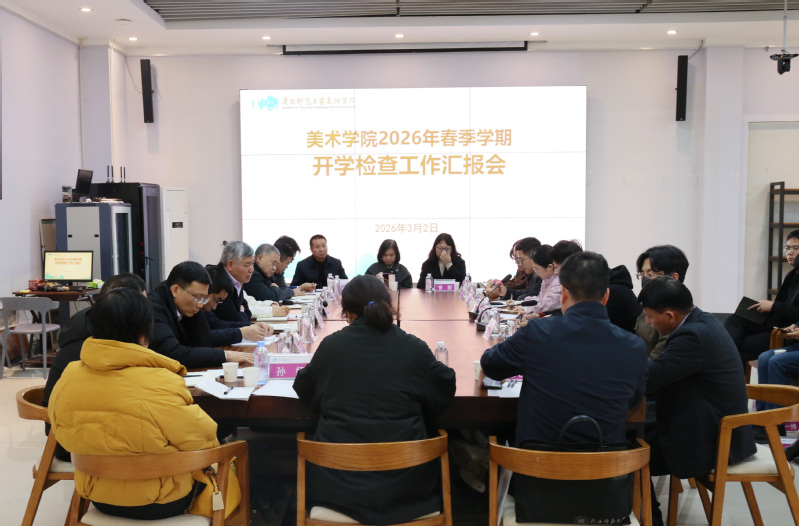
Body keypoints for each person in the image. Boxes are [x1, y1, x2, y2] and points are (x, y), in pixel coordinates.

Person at [293, 275, 456, 524]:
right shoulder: (412, 347)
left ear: (347, 313)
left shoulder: (331, 347)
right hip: (408, 491)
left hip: (337, 489)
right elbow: (444, 387)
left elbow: (305, 388)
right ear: (388, 306)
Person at [48, 287, 219, 520]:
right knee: (232, 453)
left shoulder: (69, 376)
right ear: (143, 334)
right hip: (163, 499)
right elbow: (204, 440)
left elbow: (61, 431)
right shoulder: (161, 380)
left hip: (98, 495)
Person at [481, 251, 647, 447]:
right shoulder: (635, 347)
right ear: (606, 296)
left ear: (564, 293)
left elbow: (490, 364)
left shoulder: (537, 333)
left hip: (535, 462)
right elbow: (632, 399)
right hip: (606, 463)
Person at [639, 277, 756, 526]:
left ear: (669, 316)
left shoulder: (692, 336)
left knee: (628, 450)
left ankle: (652, 520)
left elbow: (649, 379)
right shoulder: (701, 321)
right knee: (631, 431)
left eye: (649, 316)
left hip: (714, 439)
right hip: (713, 422)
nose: (648, 322)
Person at [42, 273, 147, 462]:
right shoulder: (95, 347)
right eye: (142, 304)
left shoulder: (86, 324)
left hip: (71, 436)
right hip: (80, 445)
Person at [149, 261, 255, 368]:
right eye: (198, 297)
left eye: (204, 298)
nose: (200, 305)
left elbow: (203, 341)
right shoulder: (154, 309)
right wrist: (225, 355)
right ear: (176, 290)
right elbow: (173, 354)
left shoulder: (187, 305)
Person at [725, 230, 799, 365]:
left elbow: (794, 312)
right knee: (735, 319)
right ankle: (724, 365)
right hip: (775, 322)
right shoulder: (791, 275)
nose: (790, 252)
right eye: (788, 248)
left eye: (795, 248)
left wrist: (773, 306)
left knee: (739, 345)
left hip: (787, 331)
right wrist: (765, 307)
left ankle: (722, 367)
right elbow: (781, 306)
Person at [634, 245, 690, 358]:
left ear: (674, 278)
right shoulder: (650, 306)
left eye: (650, 274)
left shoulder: (675, 316)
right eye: (642, 274)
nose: (645, 280)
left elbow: (657, 361)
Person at [204, 265, 278, 346]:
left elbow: (217, 325)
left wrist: (250, 326)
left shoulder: (237, 287)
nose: (252, 269)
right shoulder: (199, 307)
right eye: (247, 264)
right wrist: (241, 333)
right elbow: (203, 338)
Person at [518, 244, 561, 317]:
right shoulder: (547, 279)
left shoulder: (558, 282)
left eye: (536, 269)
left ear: (550, 267)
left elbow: (546, 305)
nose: (535, 272)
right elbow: (540, 299)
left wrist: (525, 308)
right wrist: (523, 302)